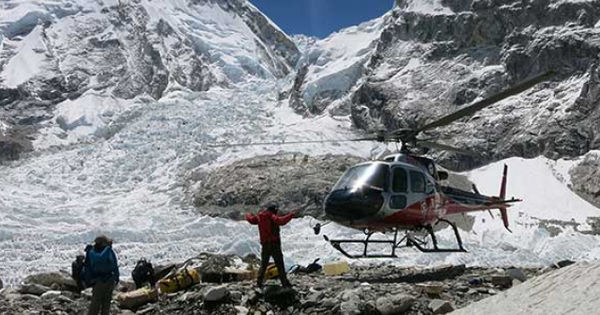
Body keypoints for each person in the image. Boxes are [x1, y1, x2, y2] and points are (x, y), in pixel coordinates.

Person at [246, 203, 296, 288]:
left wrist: (247, 214)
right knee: (280, 264)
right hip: (274, 244)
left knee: (264, 264)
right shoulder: (272, 216)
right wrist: (291, 215)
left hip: (265, 245)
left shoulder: (260, 216)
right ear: (274, 210)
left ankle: (259, 282)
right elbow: (281, 221)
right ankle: (285, 283)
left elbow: (251, 220)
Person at [85, 235, 120, 315]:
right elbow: (100, 259)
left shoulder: (107, 251)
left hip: (108, 280)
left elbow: (115, 265)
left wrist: (116, 277)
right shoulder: (93, 252)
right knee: (96, 305)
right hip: (100, 280)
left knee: (104, 305)